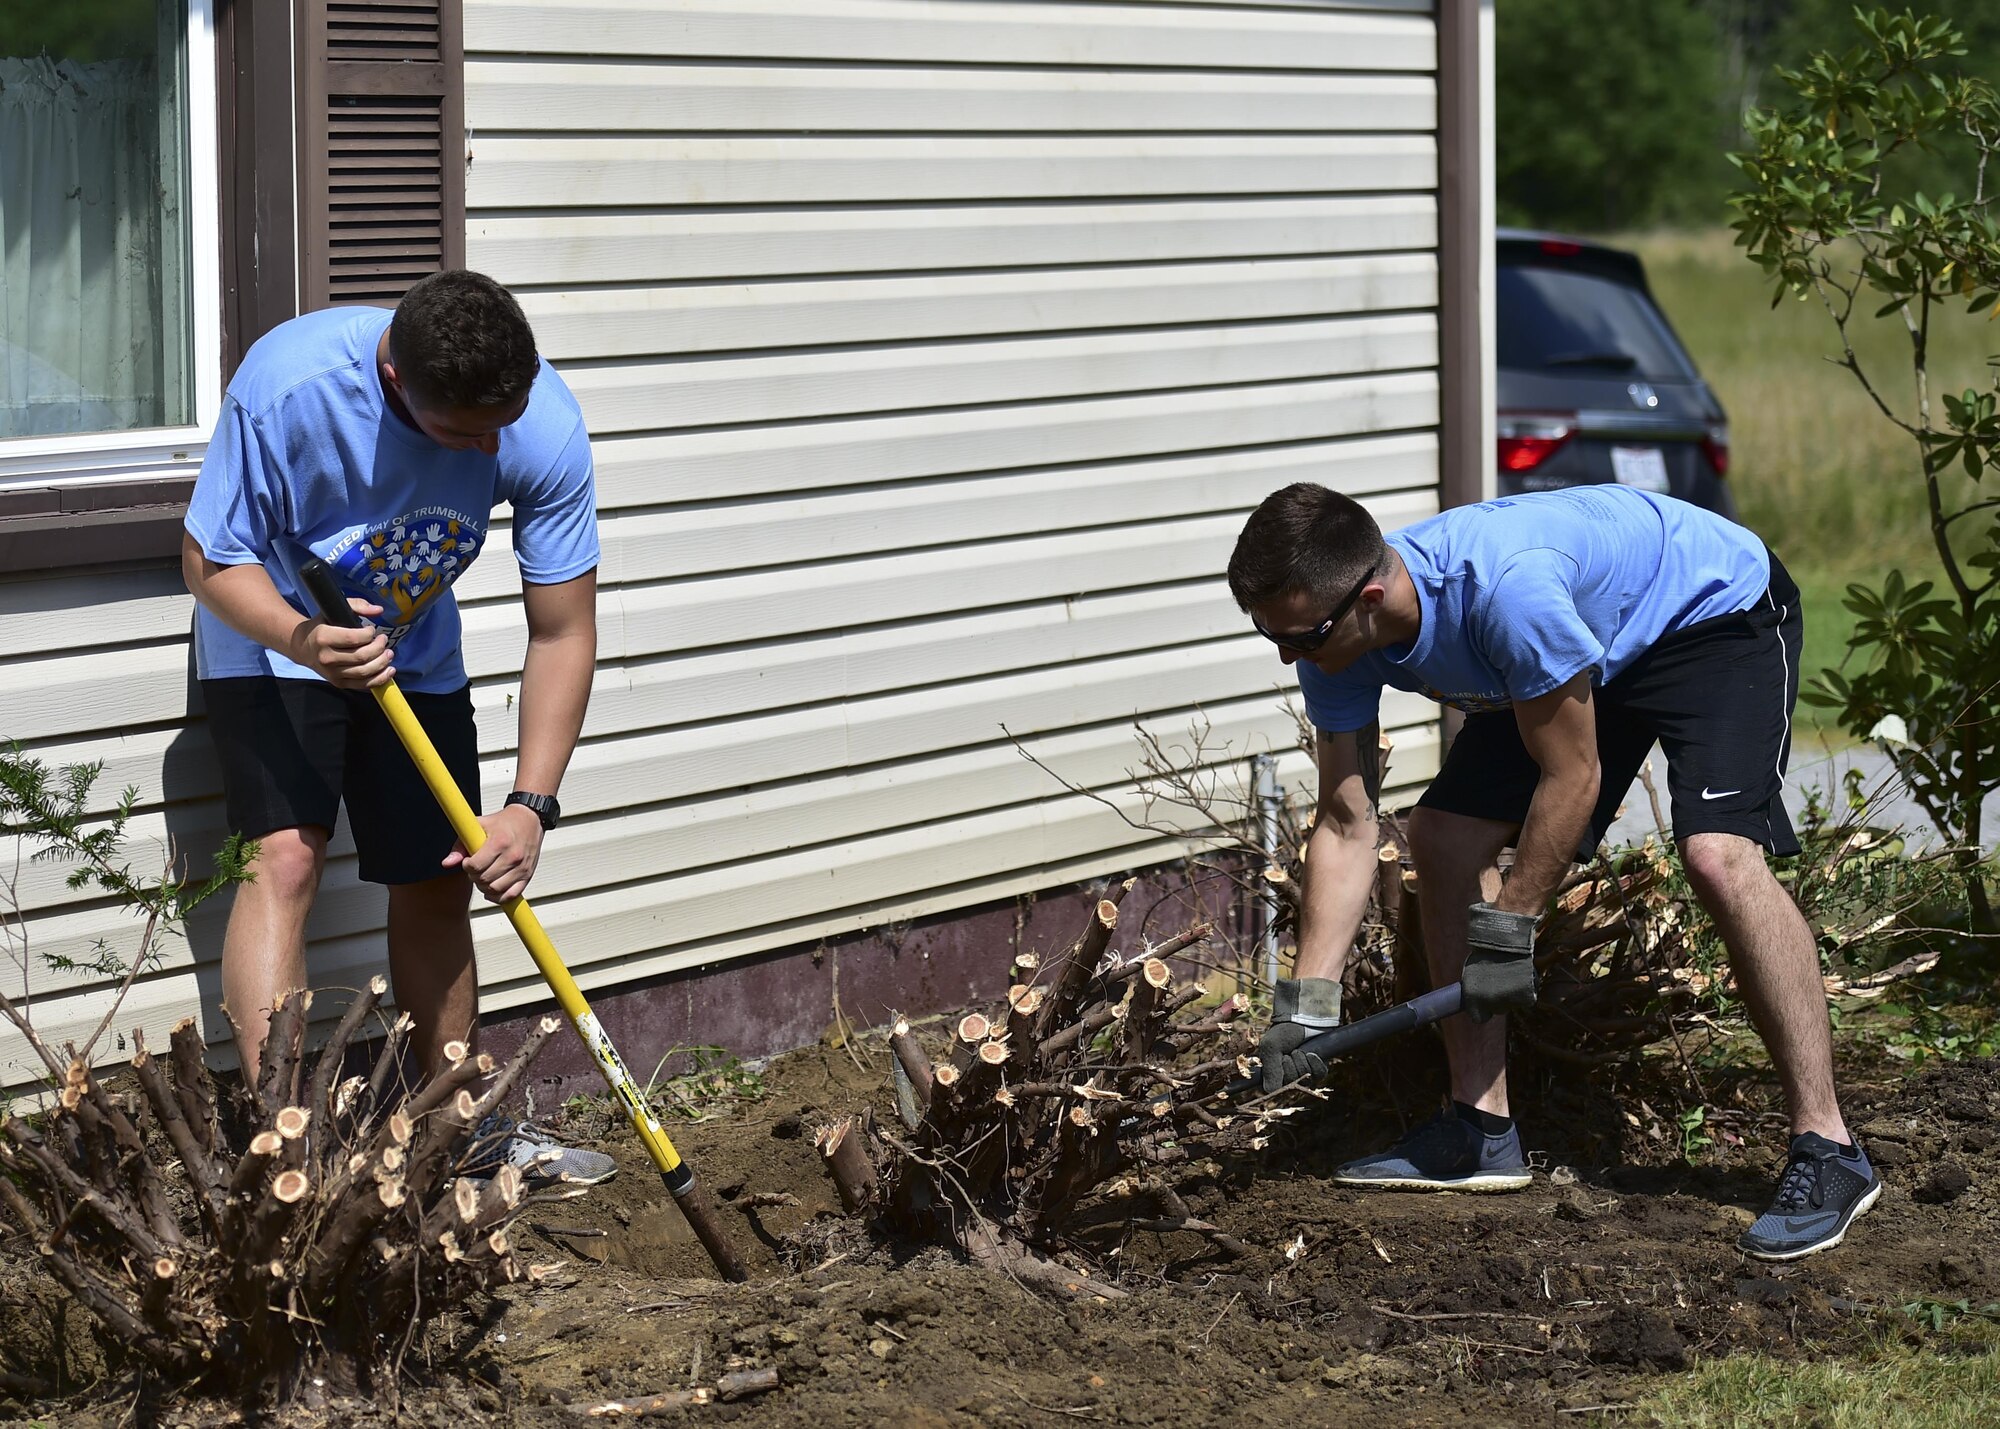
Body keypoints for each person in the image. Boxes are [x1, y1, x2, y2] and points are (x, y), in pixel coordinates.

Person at [1230, 481, 1878, 1261]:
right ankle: (1481, 1126)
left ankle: (1829, 1147)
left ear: (1369, 597)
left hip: (1709, 615)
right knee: (1442, 837)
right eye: (1275, 637)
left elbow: (1573, 777)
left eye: (1300, 638)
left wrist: (1510, 931)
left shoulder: (1507, 595)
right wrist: (1308, 1000)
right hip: (1585, 636)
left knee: (1716, 854)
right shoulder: (1332, 630)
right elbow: (1345, 817)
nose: (1289, 656)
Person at [182, 269, 613, 1183]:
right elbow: (210, 558)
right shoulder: (289, 386)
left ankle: (457, 1129)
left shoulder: (537, 421)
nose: (493, 446)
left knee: (439, 876)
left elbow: (563, 628)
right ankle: (283, 1152)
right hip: (270, 635)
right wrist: (306, 638)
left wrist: (530, 805)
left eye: (504, 424)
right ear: (393, 385)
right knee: (287, 858)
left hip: (415, 655)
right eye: (466, 435)